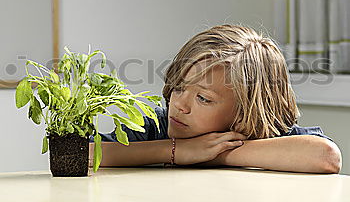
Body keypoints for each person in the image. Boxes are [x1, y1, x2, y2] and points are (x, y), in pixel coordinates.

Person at [89, 24, 342, 173]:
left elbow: (327, 157)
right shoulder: (158, 126)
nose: (179, 105)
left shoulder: (263, 135)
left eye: (203, 98)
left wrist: (214, 154)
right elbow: (85, 154)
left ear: (246, 111)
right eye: (178, 87)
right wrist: (177, 151)